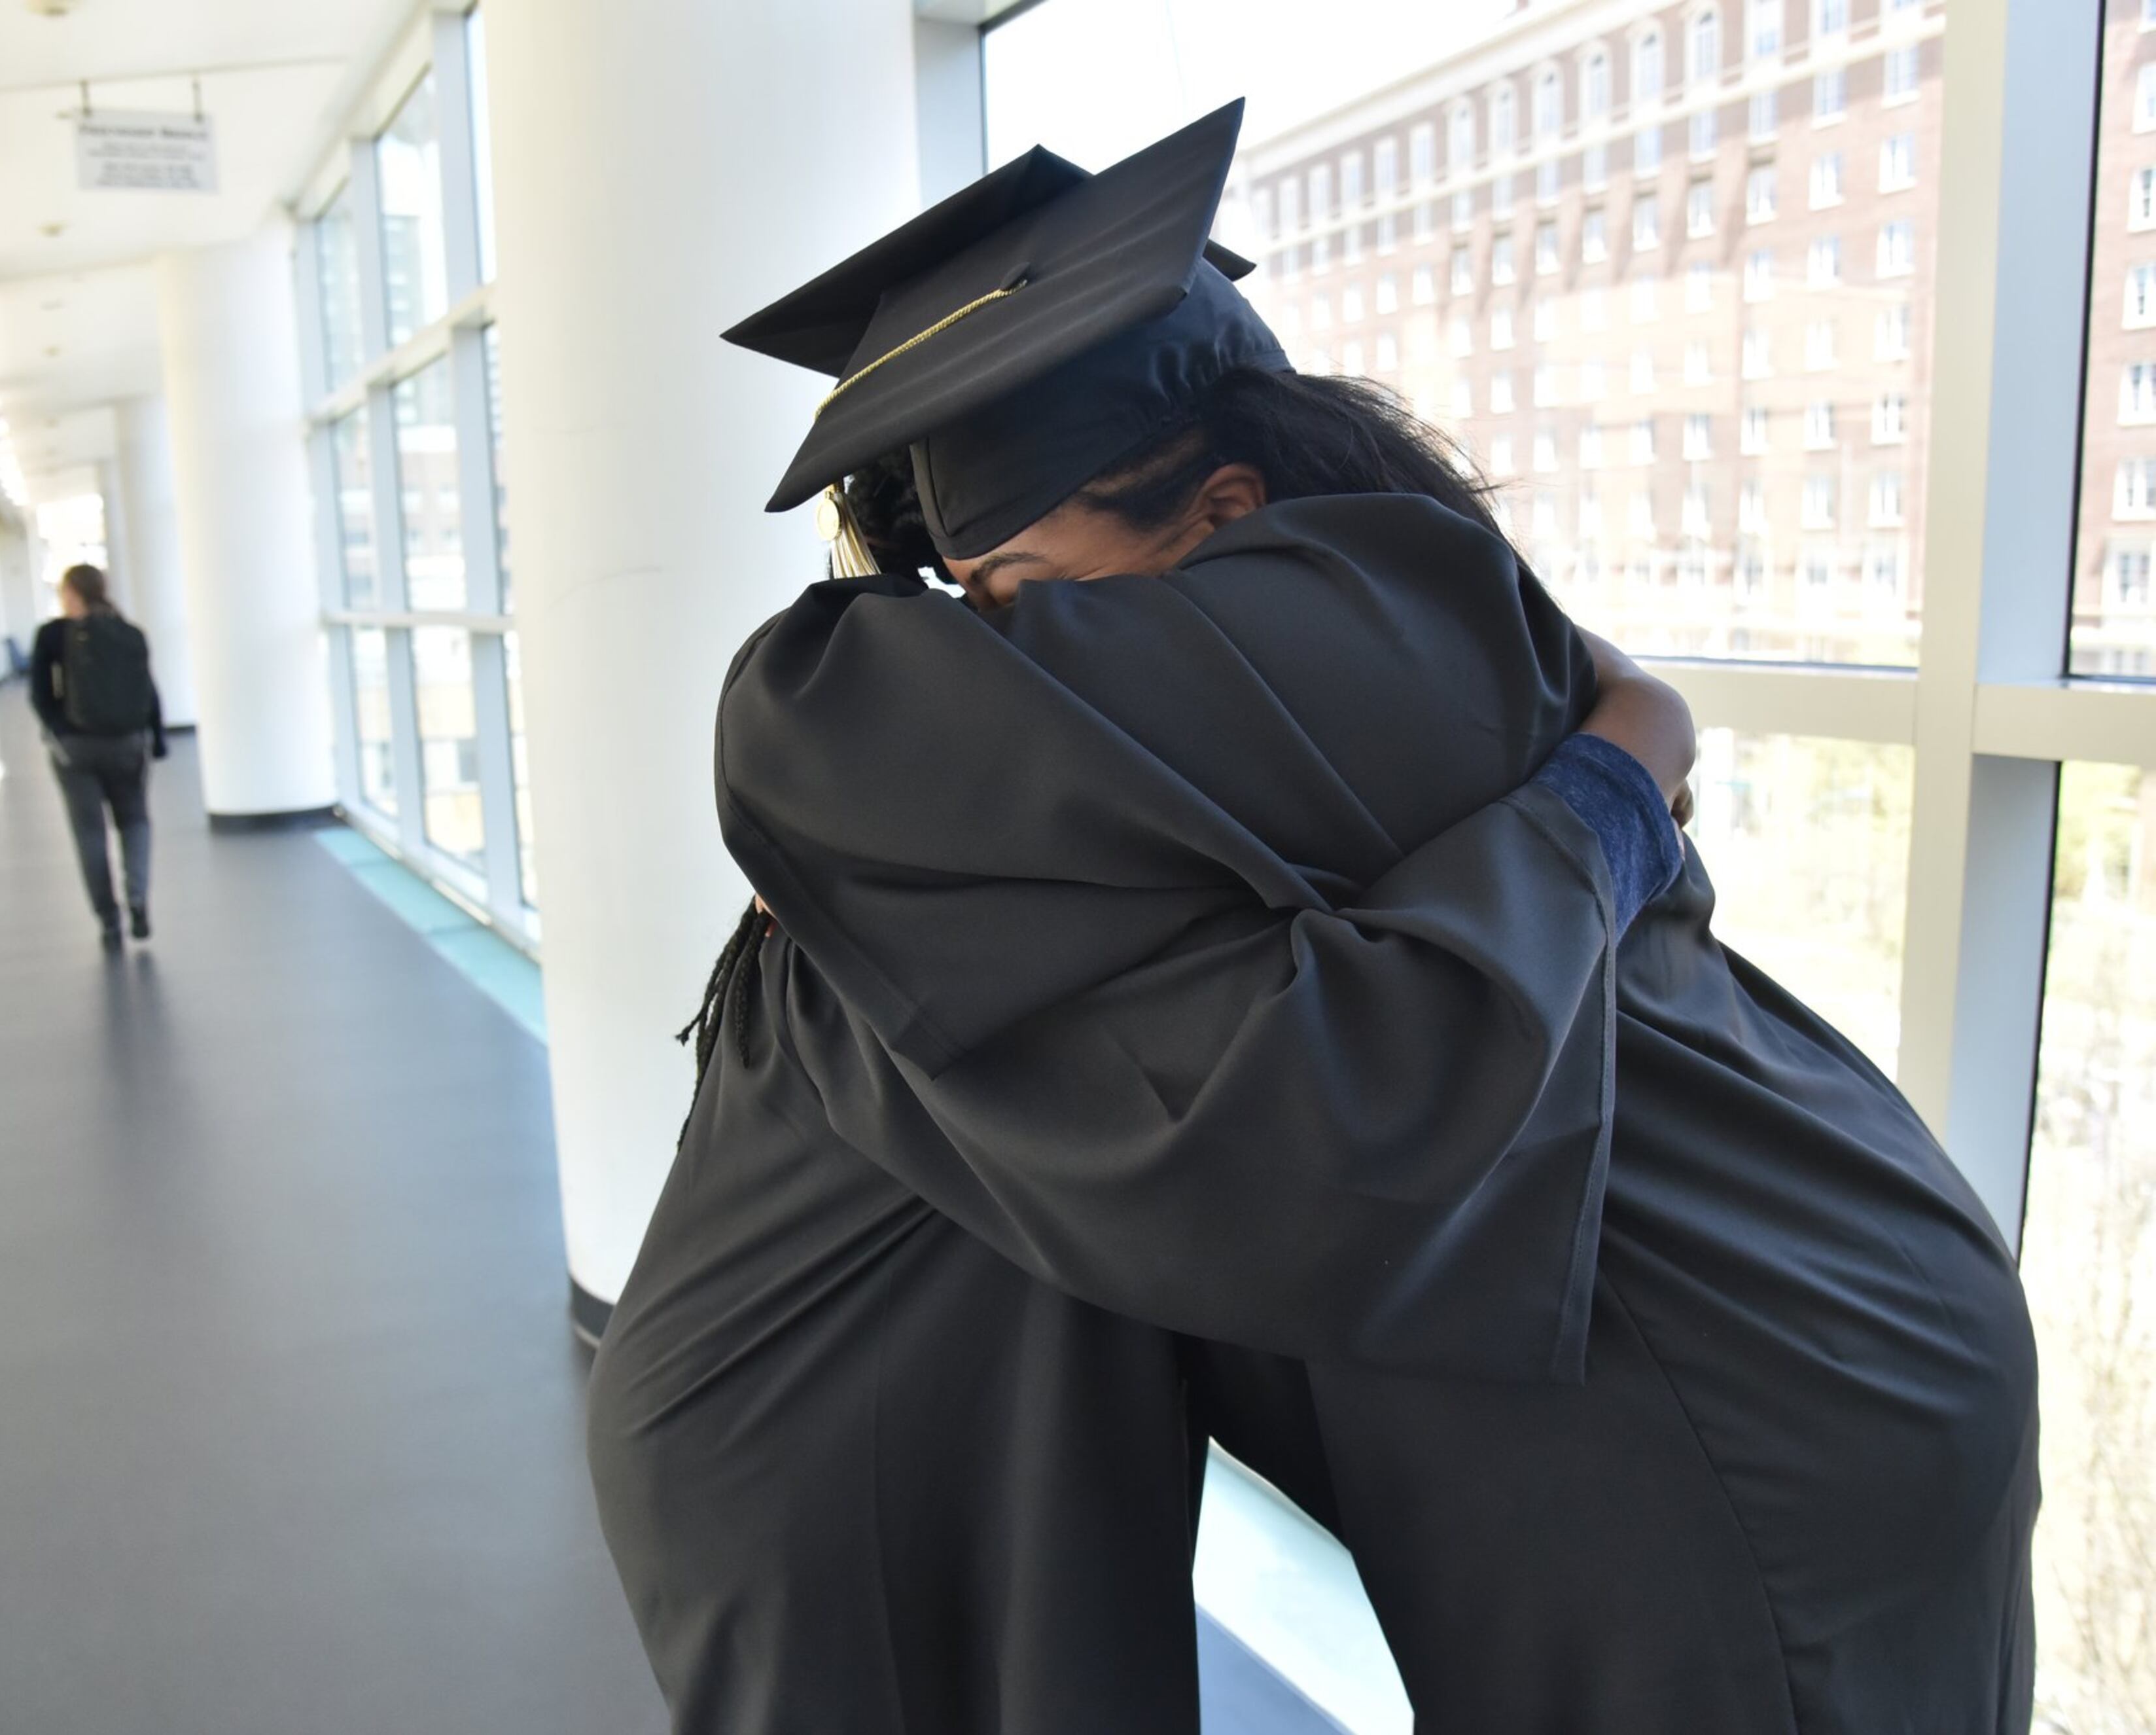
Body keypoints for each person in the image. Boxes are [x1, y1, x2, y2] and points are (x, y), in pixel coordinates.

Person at [587, 103, 2037, 1734]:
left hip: (1734, 1384)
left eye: (1017, 595)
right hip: (1812, 1291)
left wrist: (1620, 779)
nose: (987, 663)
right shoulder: (1407, 639)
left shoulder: (1331, 648)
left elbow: (820, 724)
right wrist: (1627, 748)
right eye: (964, 606)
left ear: (1218, 512)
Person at [29, 563, 166, 948]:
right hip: (128, 744)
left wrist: (59, 731)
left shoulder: (54, 635)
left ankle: (108, 919)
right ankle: (138, 897)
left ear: (71, 593)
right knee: (135, 820)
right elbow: (149, 691)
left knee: (89, 832)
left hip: (76, 750)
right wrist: (155, 740)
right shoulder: (130, 634)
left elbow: (40, 694)